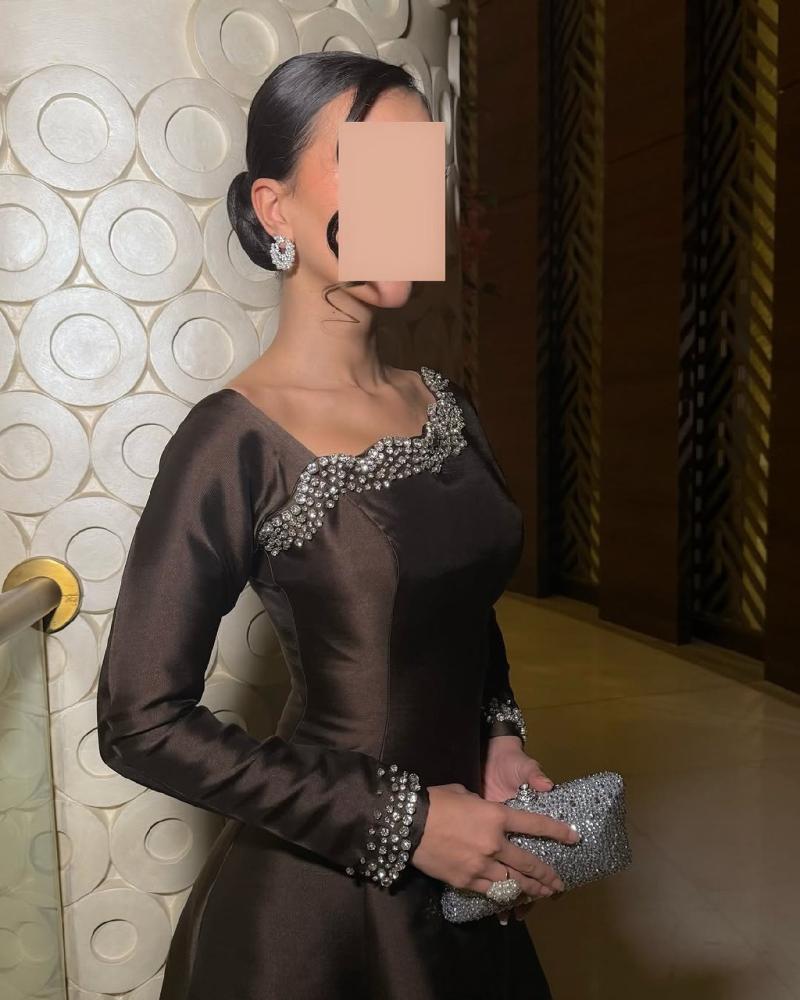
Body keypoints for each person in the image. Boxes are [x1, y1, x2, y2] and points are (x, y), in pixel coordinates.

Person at [96, 51, 578, 1000]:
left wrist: (497, 736)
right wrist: (405, 821)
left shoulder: (443, 402)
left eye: (421, 174)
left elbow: (459, 612)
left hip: (467, 867)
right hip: (316, 915)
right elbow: (139, 720)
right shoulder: (233, 440)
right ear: (275, 210)